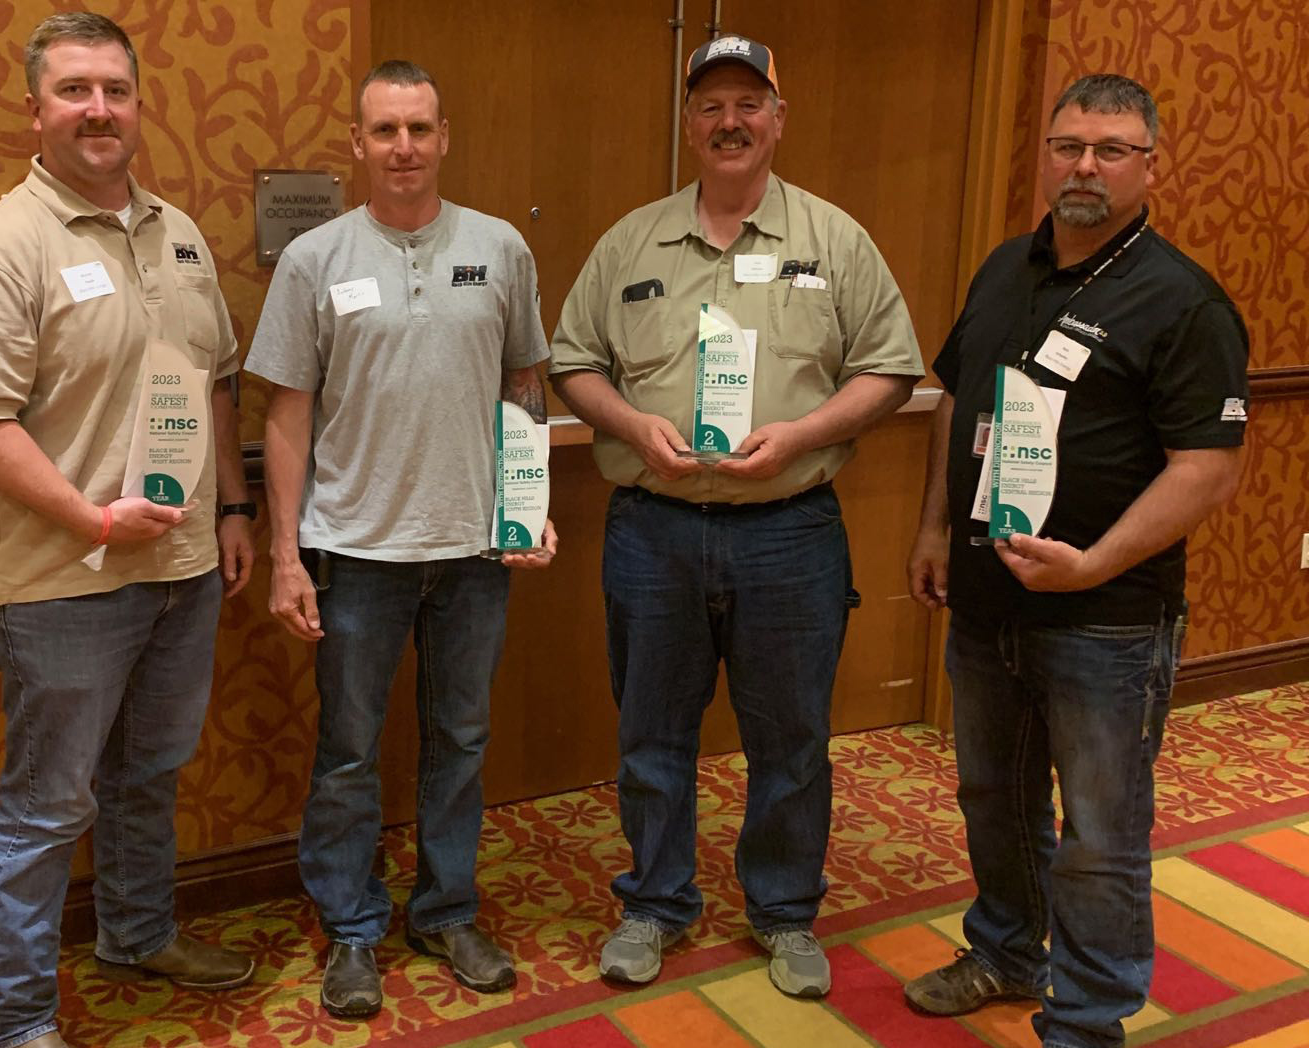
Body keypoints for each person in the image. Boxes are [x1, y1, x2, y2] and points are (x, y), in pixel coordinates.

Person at [549, 34, 923, 998]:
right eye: (710, 105)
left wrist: (801, 435)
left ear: (777, 119)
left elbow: (889, 368)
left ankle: (785, 911)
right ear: (688, 125)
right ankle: (654, 902)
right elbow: (573, 360)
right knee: (652, 730)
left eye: (748, 104)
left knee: (792, 737)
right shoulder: (631, 241)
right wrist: (631, 420)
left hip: (789, 531)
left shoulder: (834, 240)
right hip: (654, 528)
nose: (729, 121)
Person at [0, 13, 256, 1048]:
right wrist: (93, 518)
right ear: (35, 109)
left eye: (115, 88)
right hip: (65, 577)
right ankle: (18, 1023)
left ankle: (136, 931)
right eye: (74, 90)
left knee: (149, 774)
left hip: (186, 568)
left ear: (139, 103)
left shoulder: (182, 232)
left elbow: (219, 381)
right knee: (45, 807)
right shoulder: (1, 247)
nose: (98, 108)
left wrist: (235, 509)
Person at [904, 74, 1248, 1047]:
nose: (1084, 166)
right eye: (1068, 146)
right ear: (1045, 156)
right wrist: (933, 528)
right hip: (987, 604)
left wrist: (1093, 563)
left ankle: (1089, 1018)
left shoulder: (1184, 302)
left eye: (1110, 150)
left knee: (1099, 834)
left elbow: (1206, 471)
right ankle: (1009, 951)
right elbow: (957, 405)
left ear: (1151, 166)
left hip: (1107, 620)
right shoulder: (1004, 267)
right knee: (995, 801)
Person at [245, 60, 556, 1020]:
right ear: (358, 144)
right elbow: (286, 419)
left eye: (419, 128)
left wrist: (528, 497)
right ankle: (350, 930)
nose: (404, 148)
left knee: (460, 740)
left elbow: (524, 387)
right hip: (355, 554)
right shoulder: (315, 262)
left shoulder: (501, 249)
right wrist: (288, 553)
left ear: (445, 135)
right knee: (347, 749)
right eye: (385, 131)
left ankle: (446, 910)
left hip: (473, 551)